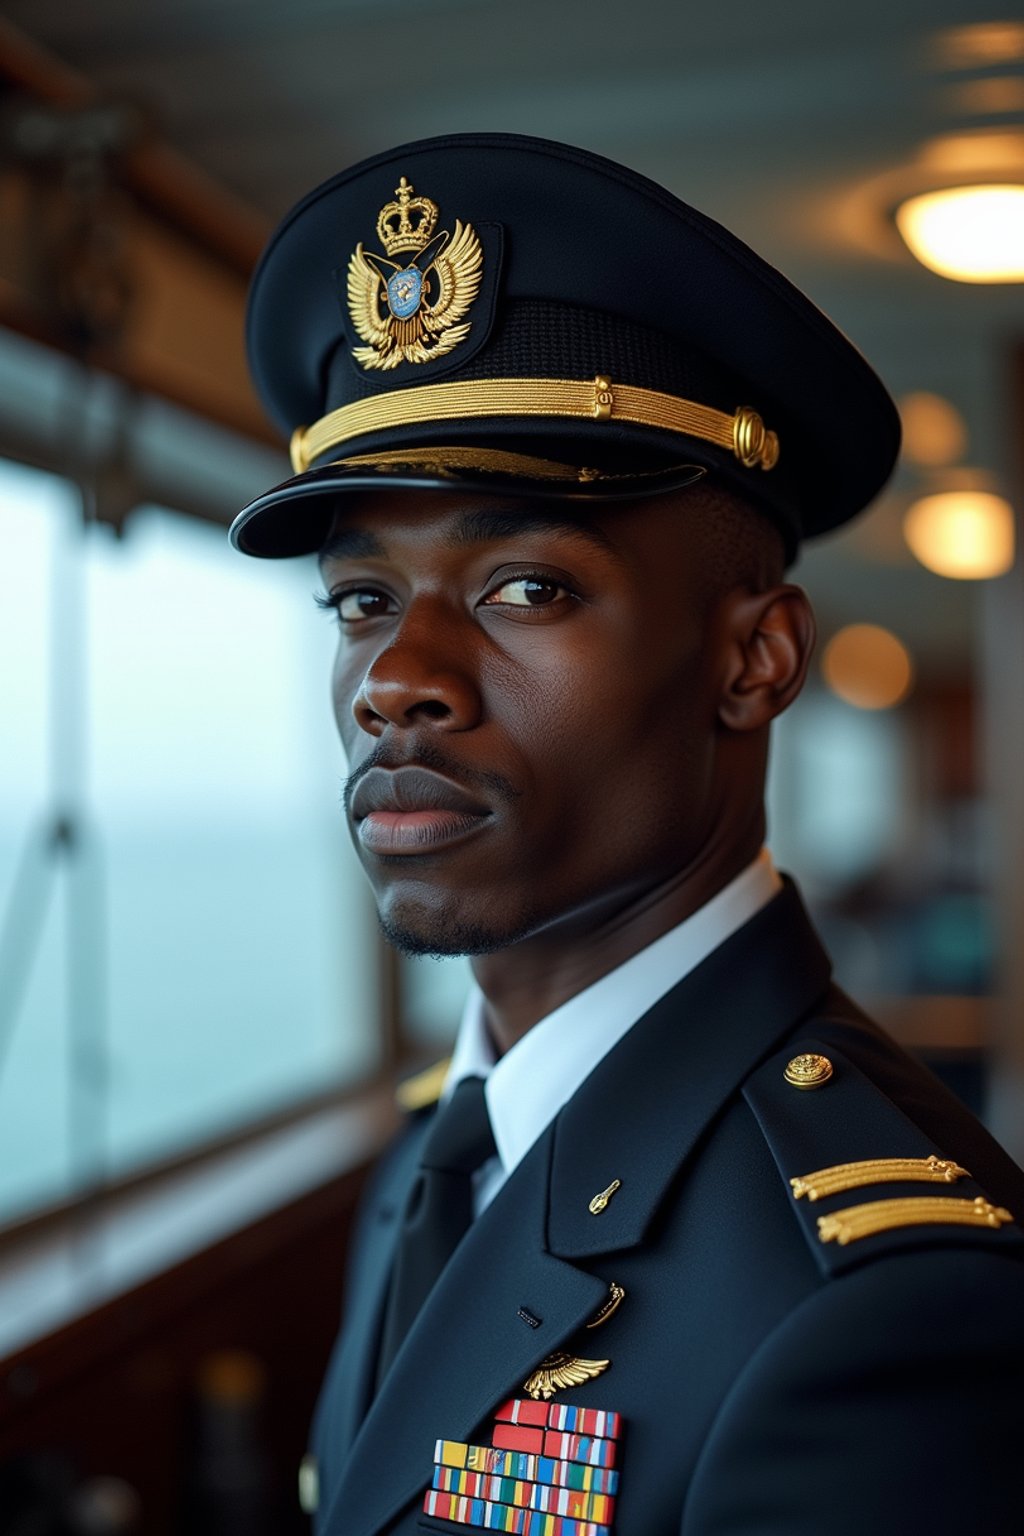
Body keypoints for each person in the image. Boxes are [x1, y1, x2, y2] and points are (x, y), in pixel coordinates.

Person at [229, 134, 1024, 1536]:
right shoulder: (449, 1152)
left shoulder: (883, 1306)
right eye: (361, 600)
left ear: (754, 661)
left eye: (526, 584)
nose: (397, 673)